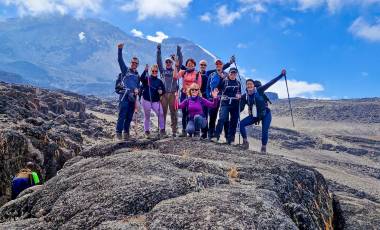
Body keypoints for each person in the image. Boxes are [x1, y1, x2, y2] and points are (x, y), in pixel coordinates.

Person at [239, 70, 287, 152]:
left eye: (251, 84)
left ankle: (263, 148)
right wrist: (236, 105)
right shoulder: (245, 96)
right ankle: (245, 142)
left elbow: (270, 82)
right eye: (248, 84)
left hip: (265, 114)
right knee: (241, 124)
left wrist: (281, 75)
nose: (249, 85)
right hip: (255, 115)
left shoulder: (260, 90)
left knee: (264, 130)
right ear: (246, 86)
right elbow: (241, 108)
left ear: (254, 85)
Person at [199, 57, 234, 139]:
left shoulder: (226, 75)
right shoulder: (211, 74)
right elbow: (207, 87)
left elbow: (229, 85)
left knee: (224, 117)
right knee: (212, 116)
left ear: (222, 65)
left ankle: (227, 136)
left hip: (223, 99)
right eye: (217, 64)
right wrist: (209, 96)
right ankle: (210, 134)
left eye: (220, 64)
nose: (218, 65)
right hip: (212, 99)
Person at [115, 43, 140, 140]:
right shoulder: (125, 70)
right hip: (124, 96)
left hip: (133, 97)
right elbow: (120, 60)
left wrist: (138, 90)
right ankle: (118, 134)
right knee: (122, 115)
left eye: (136, 63)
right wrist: (120, 49)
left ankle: (126, 134)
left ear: (137, 65)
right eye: (133, 62)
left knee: (129, 116)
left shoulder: (137, 75)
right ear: (131, 63)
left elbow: (138, 86)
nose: (134, 64)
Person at [157, 44, 183, 137]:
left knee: (173, 113)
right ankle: (162, 130)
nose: (168, 63)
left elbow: (179, 63)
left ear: (171, 63)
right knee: (162, 112)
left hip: (172, 94)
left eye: (169, 62)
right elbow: (158, 62)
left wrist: (178, 51)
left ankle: (174, 131)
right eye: (166, 62)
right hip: (163, 95)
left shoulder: (175, 70)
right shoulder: (163, 71)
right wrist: (159, 51)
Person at [212, 67, 242, 145]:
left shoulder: (238, 83)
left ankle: (231, 139)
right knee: (222, 118)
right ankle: (216, 136)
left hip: (235, 104)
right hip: (225, 103)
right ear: (229, 73)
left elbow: (240, 93)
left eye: (234, 73)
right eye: (231, 73)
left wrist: (239, 96)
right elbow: (217, 89)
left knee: (234, 121)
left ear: (236, 74)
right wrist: (216, 93)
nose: (233, 75)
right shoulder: (224, 81)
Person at [175, 58, 202, 137]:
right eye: (188, 64)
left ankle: (194, 131)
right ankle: (184, 131)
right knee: (184, 113)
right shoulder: (183, 72)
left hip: (193, 96)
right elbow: (176, 77)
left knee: (192, 112)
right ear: (186, 65)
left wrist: (191, 89)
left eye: (192, 64)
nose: (190, 65)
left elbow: (199, 86)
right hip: (184, 94)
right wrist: (176, 67)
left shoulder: (197, 74)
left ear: (194, 65)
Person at [140, 64, 166, 138]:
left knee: (161, 113)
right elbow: (141, 79)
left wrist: (161, 92)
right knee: (147, 116)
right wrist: (145, 71)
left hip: (155, 101)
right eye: (153, 71)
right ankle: (147, 131)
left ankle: (162, 130)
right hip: (146, 100)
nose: (154, 72)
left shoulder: (159, 81)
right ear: (151, 71)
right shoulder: (147, 79)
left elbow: (163, 90)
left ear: (157, 72)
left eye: (156, 71)